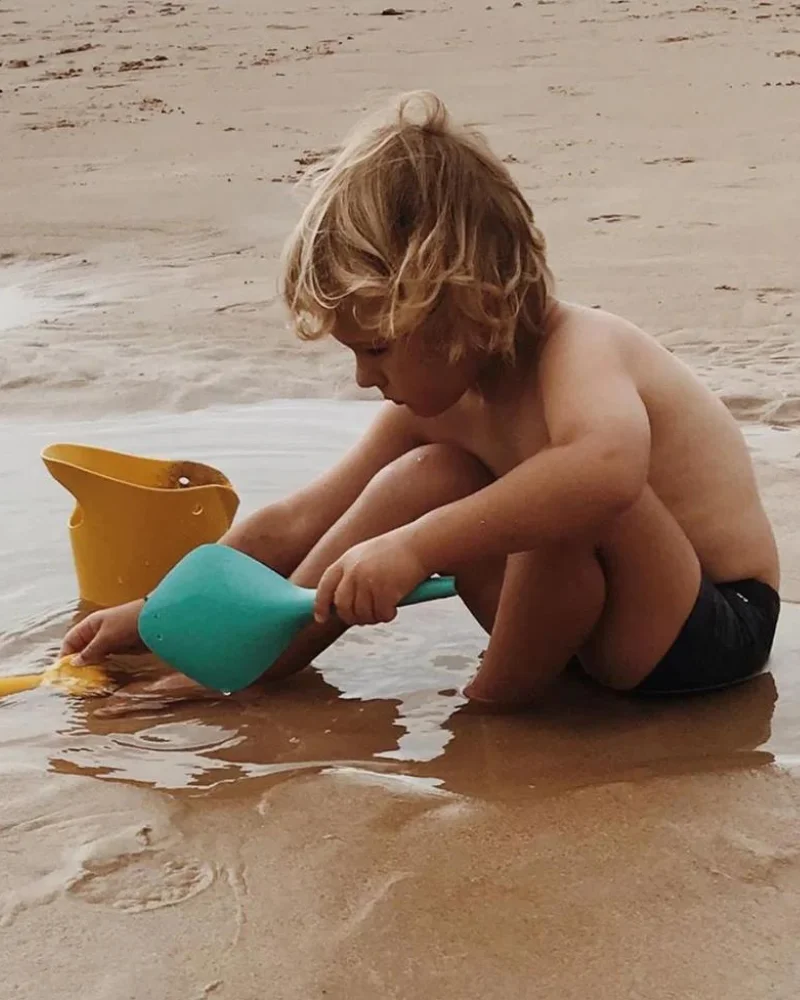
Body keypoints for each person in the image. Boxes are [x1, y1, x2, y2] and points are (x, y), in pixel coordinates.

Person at [60, 90, 781, 713]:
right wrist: (159, 616)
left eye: (374, 348)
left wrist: (414, 547)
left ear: (456, 305)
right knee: (426, 477)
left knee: (569, 485)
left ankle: (492, 710)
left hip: (706, 629)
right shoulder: (442, 403)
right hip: (586, 636)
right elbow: (301, 520)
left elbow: (608, 474)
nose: (363, 379)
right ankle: (254, 659)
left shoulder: (580, 348)